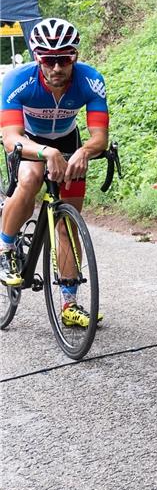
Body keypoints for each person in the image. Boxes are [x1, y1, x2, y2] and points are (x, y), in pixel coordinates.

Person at [1, 17, 108, 326]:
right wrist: (47, 153)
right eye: (49, 59)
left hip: (69, 141)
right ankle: (5, 248)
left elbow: (99, 136)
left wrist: (84, 152)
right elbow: (11, 139)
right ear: (37, 57)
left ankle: (69, 304)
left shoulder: (90, 80)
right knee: (32, 178)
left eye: (64, 58)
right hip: (30, 142)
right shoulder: (17, 80)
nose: (57, 67)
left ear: (74, 55)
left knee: (67, 227)